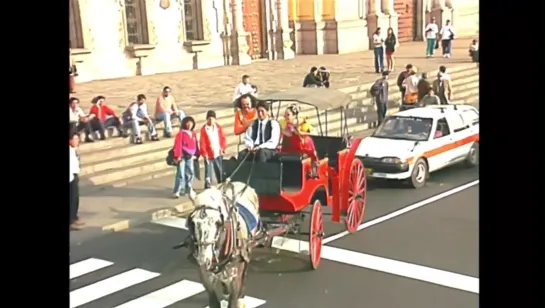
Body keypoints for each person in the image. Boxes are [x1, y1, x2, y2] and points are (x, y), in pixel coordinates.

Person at [281, 104, 319, 177]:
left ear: (294, 116)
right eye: (285, 115)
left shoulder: (302, 123)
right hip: (293, 145)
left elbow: (314, 132)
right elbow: (289, 134)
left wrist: (301, 133)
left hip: (305, 144)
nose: (285, 116)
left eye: (288, 115)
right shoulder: (288, 124)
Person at [172, 116, 199, 198]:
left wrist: (197, 154)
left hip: (190, 156)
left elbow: (195, 144)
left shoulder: (193, 133)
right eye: (187, 123)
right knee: (181, 174)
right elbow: (178, 145)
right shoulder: (181, 134)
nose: (189, 125)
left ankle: (189, 188)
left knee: (190, 173)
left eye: (191, 123)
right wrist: (178, 156)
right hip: (182, 156)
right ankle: (177, 190)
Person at [199, 110, 227, 189]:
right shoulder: (204, 129)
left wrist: (223, 148)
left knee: (219, 169)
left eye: (212, 119)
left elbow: (222, 138)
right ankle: (208, 184)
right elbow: (202, 142)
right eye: (209, 119)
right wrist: (204, 153)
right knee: (208, 170)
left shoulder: (218, 128)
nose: (211, 121)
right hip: (209, 154)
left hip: (218, 152)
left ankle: (220, 182)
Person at [70, 133, 84, 230]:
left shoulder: (73, 150)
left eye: (78, 139)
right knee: (71, 199)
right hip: (70, 177)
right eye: (75, 139)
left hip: (75, 175)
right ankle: (71, 221)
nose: (77, 141)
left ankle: (74, 216)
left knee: (75, 199)